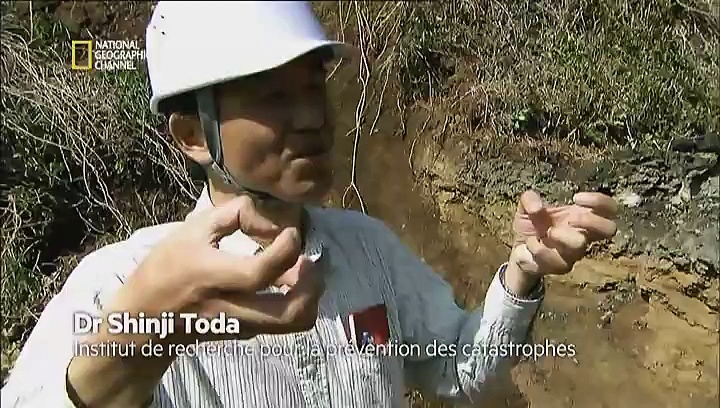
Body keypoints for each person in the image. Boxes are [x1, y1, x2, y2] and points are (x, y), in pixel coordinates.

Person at [1, 2, 618, 407]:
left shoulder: (368, 251)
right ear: (193, 134)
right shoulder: (120, 284)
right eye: (272, 97)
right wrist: (138, 339)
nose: (311, 120)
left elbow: (462, 372)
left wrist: (522, 274)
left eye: (312, 89)